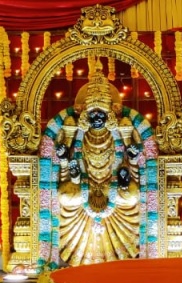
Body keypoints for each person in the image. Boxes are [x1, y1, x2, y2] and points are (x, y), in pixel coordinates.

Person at [50, 61, 144, 266]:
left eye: (101, 114)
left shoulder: (119, 131)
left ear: (109, 115)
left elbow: (132, 164)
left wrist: (129, 166)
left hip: (113, 190)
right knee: (64, 196)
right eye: (93, 114)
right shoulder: (78, 133)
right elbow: (66, 167)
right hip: (83, 188)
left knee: (133, 195)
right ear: (86, 115)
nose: (97, 119)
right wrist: (68, 166)